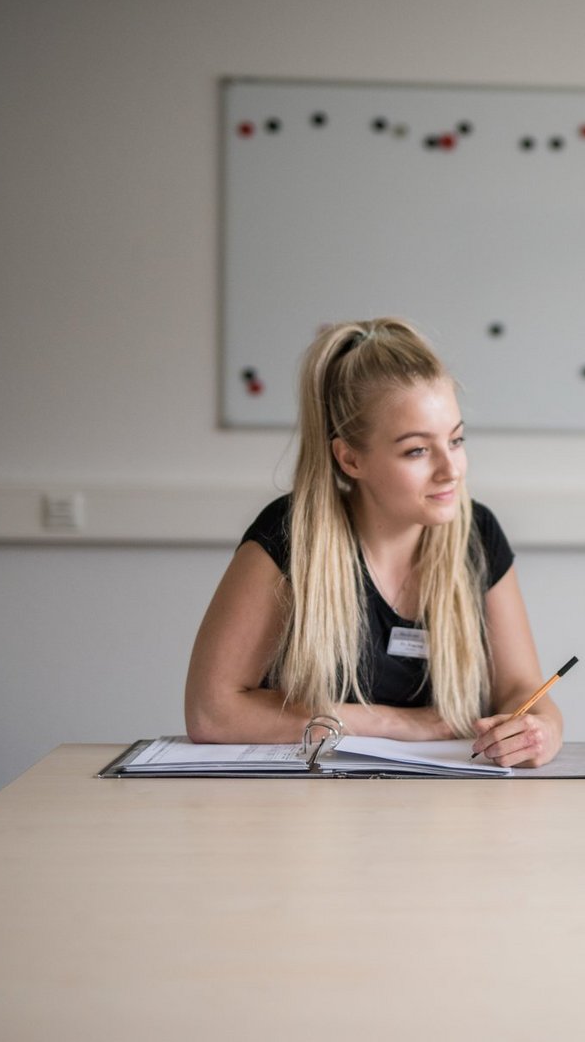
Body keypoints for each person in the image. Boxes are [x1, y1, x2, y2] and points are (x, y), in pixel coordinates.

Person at [185, 318, 562, 766]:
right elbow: (211, 712)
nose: (451, 469)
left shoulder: (477, 535)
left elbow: (521, 688)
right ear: (350, 458)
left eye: (456, 440)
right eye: (417, 450)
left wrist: (544, 730)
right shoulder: (289, 536)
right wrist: (396, 723)